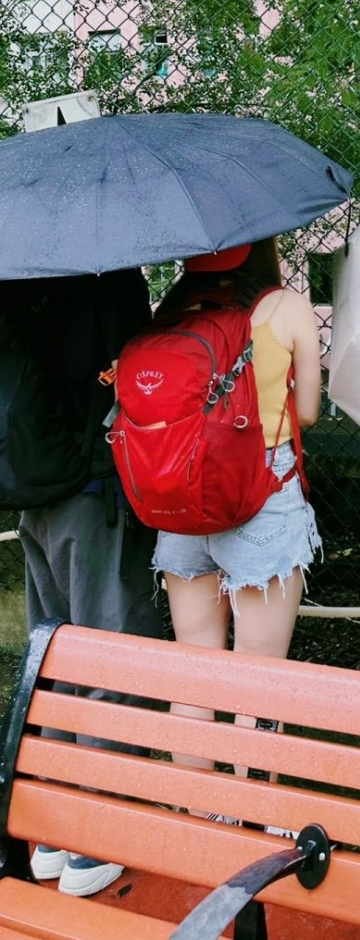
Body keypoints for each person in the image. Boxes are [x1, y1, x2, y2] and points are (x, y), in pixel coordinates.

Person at [149, 238, 322, 810]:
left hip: (184, 492)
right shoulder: (287, 307)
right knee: (259, 674)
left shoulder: (171, 313)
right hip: (263, 489)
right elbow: (308, 414)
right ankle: (251, 813)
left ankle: (196, 809)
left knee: (195, 662)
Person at [18, 269, 162, 898]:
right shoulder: (111, 277)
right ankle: (96, 838)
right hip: (92, 490)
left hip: (29, 489)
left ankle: (52, 830)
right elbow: (136, 381)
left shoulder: (19, 270)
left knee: (52, 658)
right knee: (110, 650)